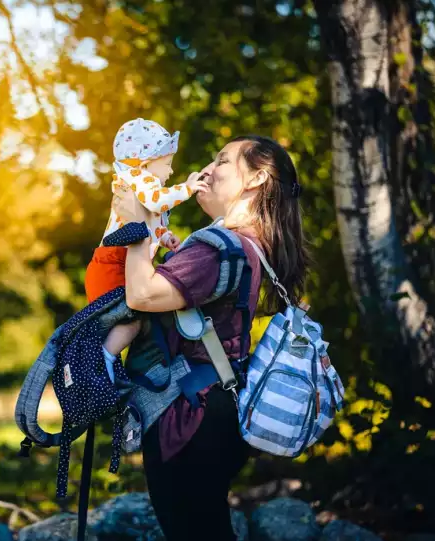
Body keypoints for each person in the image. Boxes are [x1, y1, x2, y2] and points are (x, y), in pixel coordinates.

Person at [111, 135, 310, 541]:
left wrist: (134, 225)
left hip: (186, 417)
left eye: (221, 161)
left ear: (256, 178)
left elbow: (143, 294)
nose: (205, 171)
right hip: (214, 411)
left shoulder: (219, 247)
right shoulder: (251, 246)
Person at [85, 117, 204, 382]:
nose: (171, 172)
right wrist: (188, 188)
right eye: (168, 164)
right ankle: (101, 363)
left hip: (116, 262)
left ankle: (106, 360)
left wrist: (164, 237)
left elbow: (148, 224)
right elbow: (157, 201)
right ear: (147, 161)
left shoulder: (139, 184)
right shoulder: (139, 178)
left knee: (133, 321)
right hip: (113, 263)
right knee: (132, 320)